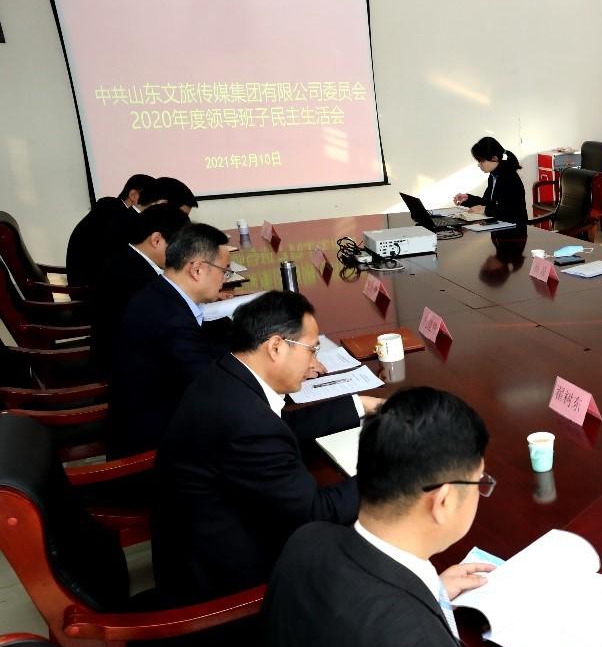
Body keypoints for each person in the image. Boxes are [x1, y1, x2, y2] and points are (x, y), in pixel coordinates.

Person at [264, 387, 590, 647]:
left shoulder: (307, 542)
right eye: (479, 482)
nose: (481, 492)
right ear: (443, 501)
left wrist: (428, 592)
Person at [154, 291, 384, 602]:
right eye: (312, 350)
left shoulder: (227, 373)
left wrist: (360, 404)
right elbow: (316, 512)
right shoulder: (248, 424)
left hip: (197, 542)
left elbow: (280, 426)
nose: (317, 364)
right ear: (275, 347)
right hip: (227, 584)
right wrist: (394, 469)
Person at [106, 222, 234, 457]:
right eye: (224, 270)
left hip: (157, 414)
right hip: (161, 447)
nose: (225, 279)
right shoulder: (171, 320)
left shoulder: (160, 293)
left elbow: (200, 346)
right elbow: (211, 384)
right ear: (197, 269)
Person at [88, 203, 190, 373]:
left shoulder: (129, 257)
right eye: (181, 248)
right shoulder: (131, 275)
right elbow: (166, 320)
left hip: (129, 351)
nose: (183, 256)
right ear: (156, 240)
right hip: (126, 366)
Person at [65, 173, 155, 287]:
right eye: (153, 200)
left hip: (85, 280)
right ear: (133, 195)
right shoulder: (114, 212)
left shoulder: (110, 207)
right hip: (89, 287)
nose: (155, 206)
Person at [453, 136, 528, 222]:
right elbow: (487, 203)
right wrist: (468, 199)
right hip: (499, 225)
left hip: (514, 227)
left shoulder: (509, 177)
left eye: (482, 161)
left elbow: (511, 211)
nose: (479, 165)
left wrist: (485, 210)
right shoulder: (494, 176)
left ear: (494, 158)